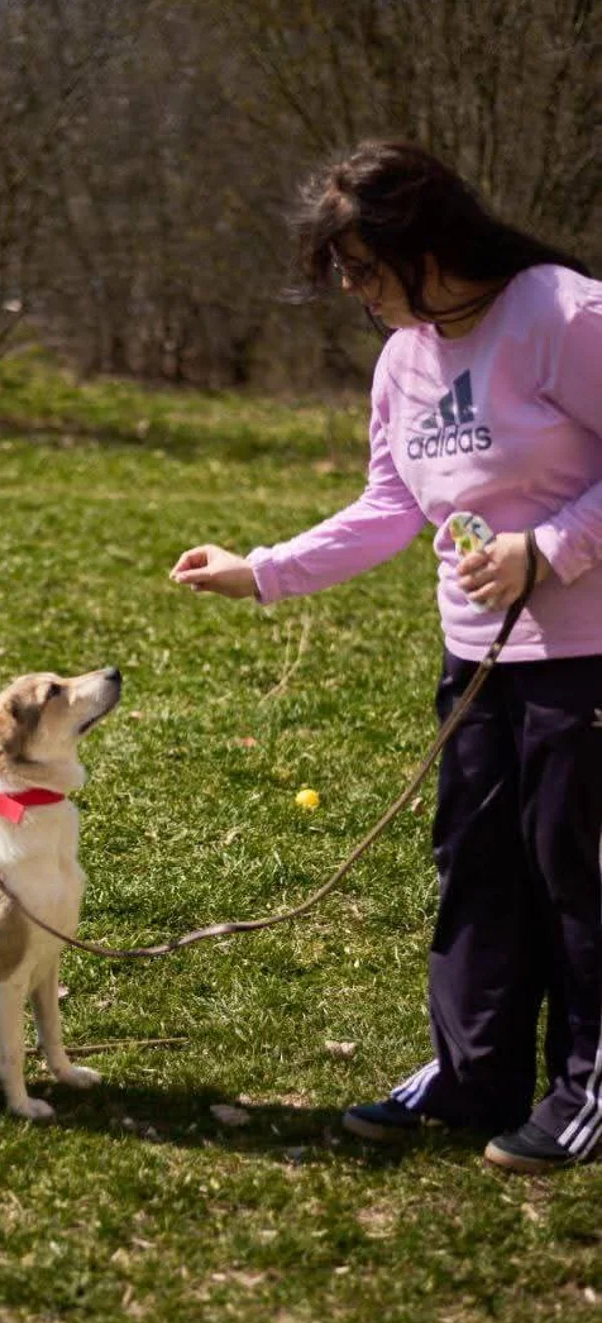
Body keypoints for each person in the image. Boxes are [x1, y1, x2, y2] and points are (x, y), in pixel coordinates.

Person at [171, 140, 602, 1173]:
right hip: (479, 668)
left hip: (588, 657)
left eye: (363, 268)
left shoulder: (562, 314)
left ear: (427, 243)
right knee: (479, 871)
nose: (357, 293)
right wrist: (260, 569)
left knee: (575, 876)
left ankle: (590, 1087)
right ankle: (473, 1075)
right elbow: (389, 505)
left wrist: (546, 550)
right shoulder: (405, 358)